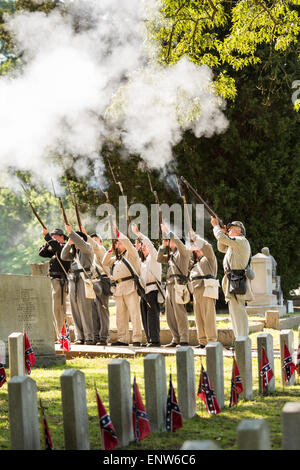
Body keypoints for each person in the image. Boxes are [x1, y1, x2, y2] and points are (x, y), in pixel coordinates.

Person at [211, 218, 254, 339]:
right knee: (235, 313)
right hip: (233, 280)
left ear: (239, 231)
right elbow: (221, 246)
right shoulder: (234, 244)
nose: (229, 229)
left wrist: (216, 227)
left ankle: (242, 339)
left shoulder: (241, 240)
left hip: (237, 280)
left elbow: (221, 239)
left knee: (238, 312)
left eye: (232, 228)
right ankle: (239, 339)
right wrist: (223, 233)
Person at [102, 225, 143, 347]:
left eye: (120, 243)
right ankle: (123, 338)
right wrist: (111, 248)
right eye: (117, 243)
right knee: (120, 316)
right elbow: (104, 261)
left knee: (134, 314)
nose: (118, 245)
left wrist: (118, 234)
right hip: (119, 288)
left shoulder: (131, 255)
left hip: (130, 286)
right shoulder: (116, 258)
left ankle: (137, 339)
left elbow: (129, 244)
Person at [157, 223, 190, 347]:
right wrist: (163, 246)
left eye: (171, 241)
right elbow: (159, 259)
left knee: (179, 313)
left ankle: (184, 339)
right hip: (170, 285)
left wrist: (170, 232)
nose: (169, 242)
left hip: (179, 285)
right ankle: (176, 338)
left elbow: (181, 246)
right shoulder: (171, 256)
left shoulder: (183, 253)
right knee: (170, 314)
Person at [61, 224, 95, 345]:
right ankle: (79, 337)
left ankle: (89, 337)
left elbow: (82, 244)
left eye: (76, 240)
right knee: (75, 309)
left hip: (83, 279)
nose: (75, 243)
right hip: (73, 279)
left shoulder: (87, 248)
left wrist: (72, 234)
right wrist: (68, 243)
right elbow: (63, 255)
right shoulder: (74, 253)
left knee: (84, 309)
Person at [132, 223, 162, 347]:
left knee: (152, 315)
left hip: (153, 289)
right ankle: (150, 338)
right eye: (142, 247)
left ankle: (155, 339)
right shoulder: (142, 261)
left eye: (145, 246)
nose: (143, 248)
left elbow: (149, 243)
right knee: (145, 315)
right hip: (144, 291)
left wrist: (139, 234)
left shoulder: (154, 256)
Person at [38, 227, 70, 341]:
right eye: (53, 236)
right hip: (53, 280)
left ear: (62, 237)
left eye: (56, 236)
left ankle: (62, 336)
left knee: (59, 309)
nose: (54, 238)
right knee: (54, 309)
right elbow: (41, 253)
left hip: (60, 281)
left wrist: (48, 237)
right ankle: (59, 335)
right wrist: (47, 242)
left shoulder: (65, 247)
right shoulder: (55, 249)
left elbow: (58, 247)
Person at [189, 229, 218, 348]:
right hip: (196, 290)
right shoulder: (195, 264)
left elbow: (207, 247)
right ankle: (202, 341)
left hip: (207, 288)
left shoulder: (209, 259)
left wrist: (195, 237)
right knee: (198, 317)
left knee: (208, 316)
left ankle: (211, 341)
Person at [85, 230, 111, 346]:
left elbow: (95, 247)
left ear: (100, 242)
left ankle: (104, 337)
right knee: (93, 312)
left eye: (95, 241)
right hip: (92, 282)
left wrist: (85, 235)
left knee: (103, 311)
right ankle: (96, 336)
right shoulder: (89, 254)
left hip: (102, 281)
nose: (93, 243)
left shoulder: (101, 250)